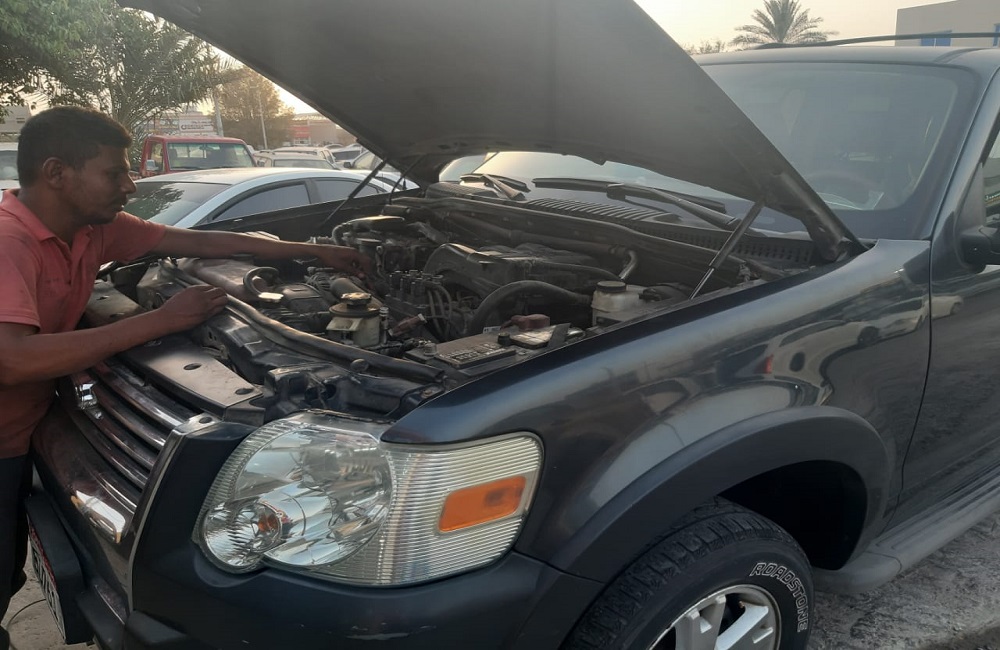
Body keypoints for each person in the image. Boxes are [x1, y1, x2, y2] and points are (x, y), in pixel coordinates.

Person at [0, 106, 370, 649]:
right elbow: (12, 360)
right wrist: (162, 320)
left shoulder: (89, 231)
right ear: (56, 173)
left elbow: (204, 244)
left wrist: (311, 250)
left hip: (25, 433)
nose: (129, 186)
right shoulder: (10, 242)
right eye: (113, 172)